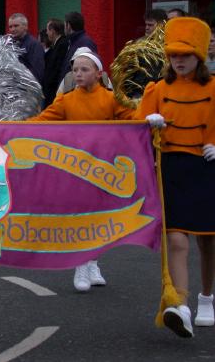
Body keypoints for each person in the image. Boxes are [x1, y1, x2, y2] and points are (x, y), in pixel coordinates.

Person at [135, 17, 215, 338]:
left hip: (207, 168)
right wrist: (146, 123)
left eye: (185, 54)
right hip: (171, 169)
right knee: (177, 239)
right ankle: (179, 304)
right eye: (173, 55)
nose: (178, 61)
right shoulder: (158, 90)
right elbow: (136, 132)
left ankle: (206, 298)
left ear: (199, 55)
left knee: (208, 241)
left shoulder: (214, 88)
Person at [30, 51, 134, 292]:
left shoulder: (111, 99)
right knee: (81, 216)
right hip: (76, 169)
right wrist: (8, 128)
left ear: (98, 74)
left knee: (100, 218)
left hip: (104, 170)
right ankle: (81, 263)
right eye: (75, 70)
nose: (78, 74)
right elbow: (40, 122)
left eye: (84, 70)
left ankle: (93, 262)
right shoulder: (66, 101)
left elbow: (133, 120)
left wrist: (150, 118)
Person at [58, 12, 97, 87]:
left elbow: (85, 73)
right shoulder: (73, 42)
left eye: (64, 25)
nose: (64, 29)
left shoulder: (84, 44)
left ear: (68, 26)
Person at [7, 13, 45, 84]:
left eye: (16, 26)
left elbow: (37, 73)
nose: (12, 29)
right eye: (10, 27)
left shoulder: (34, 45)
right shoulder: (9, 44)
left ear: (25, 27)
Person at [43, 18, 69, 107]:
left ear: (53, 31)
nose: (46, 33)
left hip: (55, 90)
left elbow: (56, 68)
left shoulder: (62, 44)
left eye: (47, 30)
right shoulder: (58, 44)